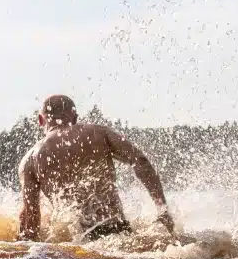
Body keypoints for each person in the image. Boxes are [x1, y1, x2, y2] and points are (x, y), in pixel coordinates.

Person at [17, 94, 175, 241]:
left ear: (40, 120)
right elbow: (140, 161)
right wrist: (162, 208)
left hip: (75, 241)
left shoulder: (29, 160)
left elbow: (30, 220)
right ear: (75, 117)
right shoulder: (98, 133)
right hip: (116, 230)